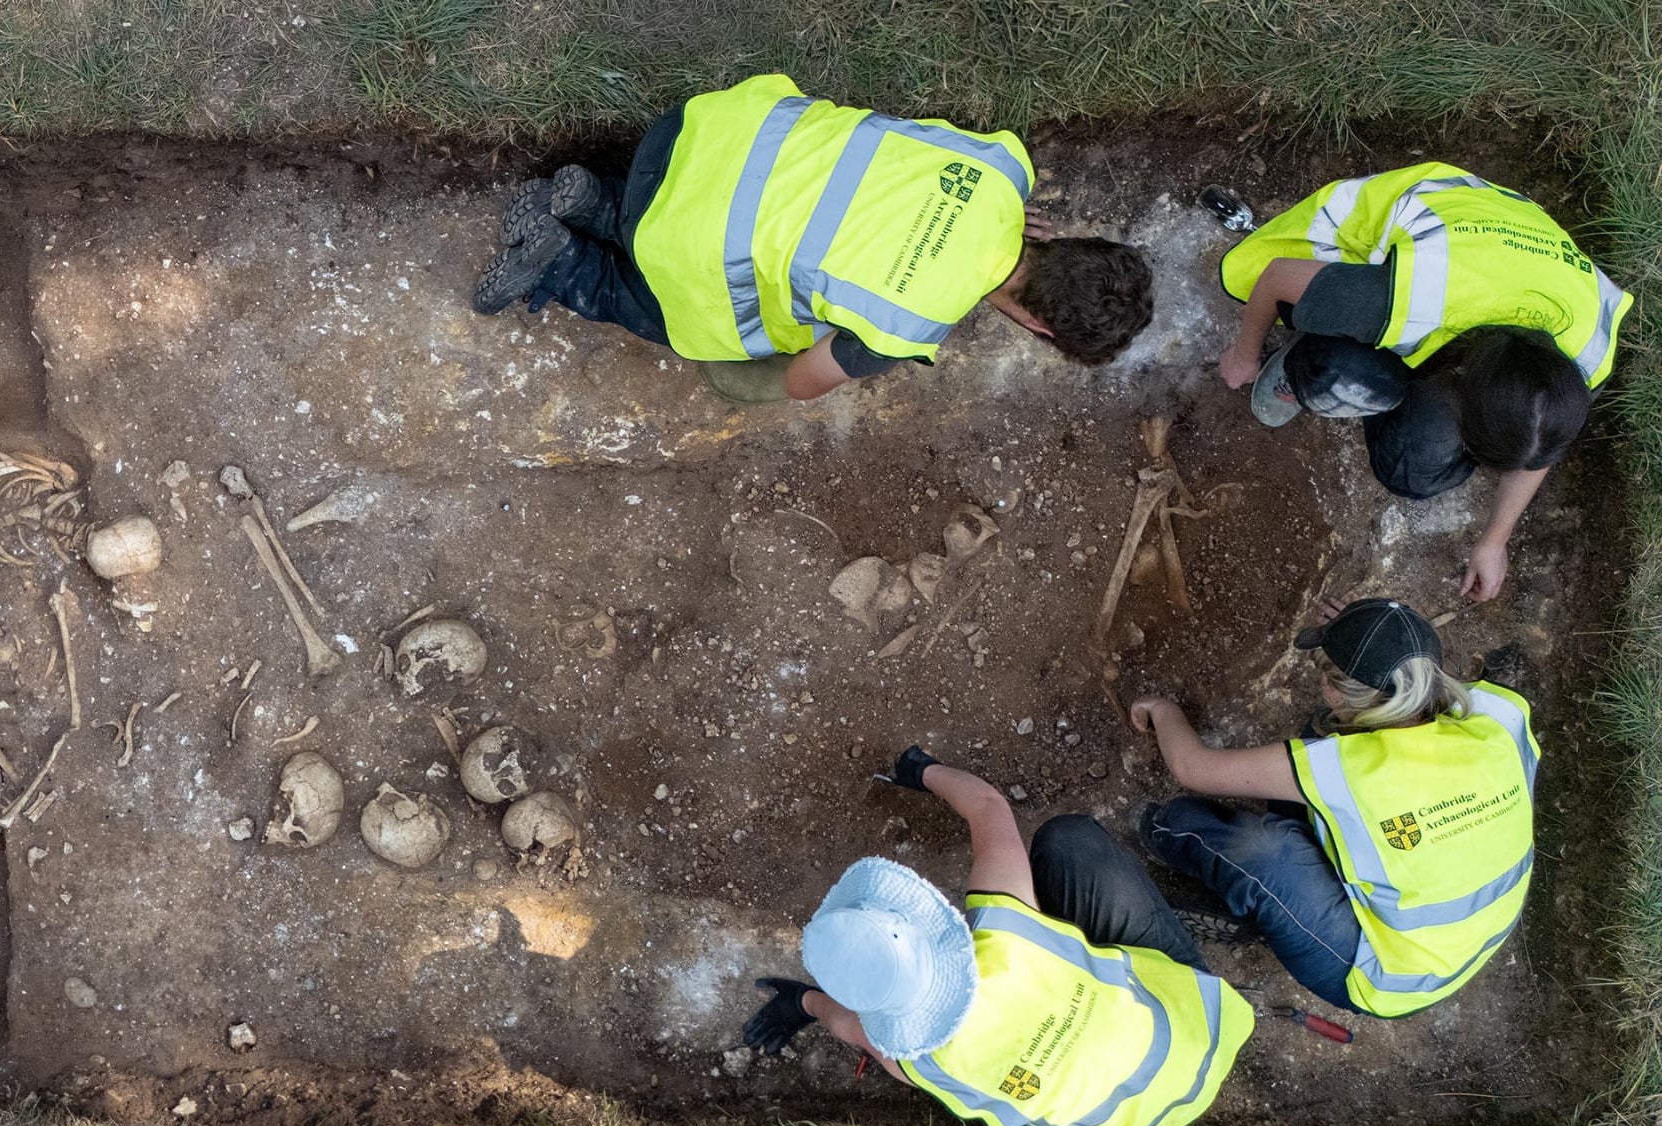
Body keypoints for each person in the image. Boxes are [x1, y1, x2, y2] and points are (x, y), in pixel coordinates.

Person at [474, 73, 1153, 402]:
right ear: (1037, 329)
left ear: (1067, 241)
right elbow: (802, 382)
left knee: (745, 214)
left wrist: (999, 216)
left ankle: (596, 199)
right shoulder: (905, 326)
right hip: (674, 235)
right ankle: (562, 262)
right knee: (703, 324)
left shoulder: (1003, 168)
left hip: (696, 132)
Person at [741, 746, 1252, 1126]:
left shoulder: (924, 1063)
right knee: (1067, 840)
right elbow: (988, 807)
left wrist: (802, 1004)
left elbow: (849, 1027)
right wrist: (923, 770)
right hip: (1197, 1027)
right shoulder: (1004, 933)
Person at [1216, 163, 1633, 602]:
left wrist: (1495, 539)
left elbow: (1539, 437)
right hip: (1411, 237)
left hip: (1499, 273)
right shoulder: (1407, 299)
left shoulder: (1584, 358)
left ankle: (1391, 376)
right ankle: (1302, 364)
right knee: (1342, 376)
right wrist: (1244, 355)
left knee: (1415, 471)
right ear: (1461, 384)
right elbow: (1279, 276)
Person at [1131, 597, 1539, 1018]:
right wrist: (1372, 635)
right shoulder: (1501, 717)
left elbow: (1193, 768)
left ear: (1340, 691)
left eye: (1327, 675)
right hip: (1477, 932)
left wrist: (1162, 710)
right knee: (1321, 736)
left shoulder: (1353, 769)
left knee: (1260, 851)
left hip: (1391, 978)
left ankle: (1159, 833)